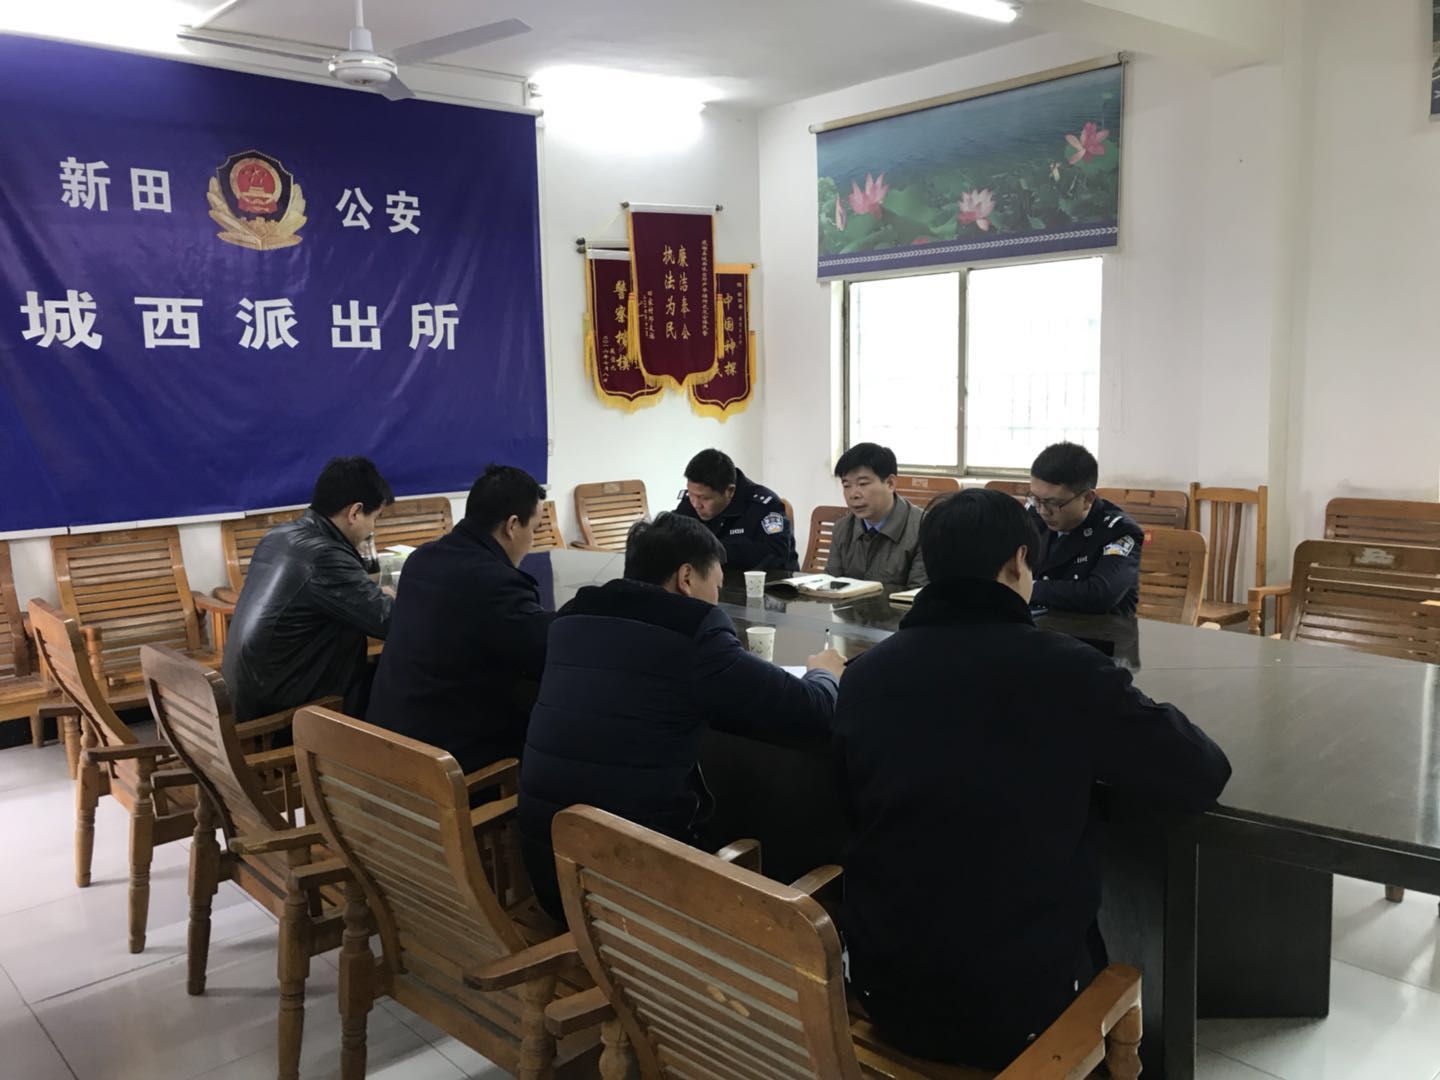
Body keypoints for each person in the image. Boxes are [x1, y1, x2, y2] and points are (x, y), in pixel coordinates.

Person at [834, 489, 1231, 1069]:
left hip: (886, 993)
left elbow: (849, 809)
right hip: (1020, 1011)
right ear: (1019, 561)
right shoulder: (1068, 671)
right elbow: (1201, 771)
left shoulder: (864, 675)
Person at [518, 511, 844, 919]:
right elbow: (812, 710)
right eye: (716, 586)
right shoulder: (693, 634)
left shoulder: (571, 619)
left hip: (551, 875)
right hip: (637, 900)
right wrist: (824, 673)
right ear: (686, 577)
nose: (717, 599)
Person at [366, 465, 553, 774]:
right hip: (439, 763)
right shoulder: (495, 582)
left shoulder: (421, 559)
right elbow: (544, 650)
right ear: (512, 526)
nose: (532, 540)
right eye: (534, 529)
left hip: (389, 740)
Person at [223, 456, 394, 722]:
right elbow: (389, 623)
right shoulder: (324, 556)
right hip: (281, 715)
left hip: (253, 695)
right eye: (375, 518)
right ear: (355, 512)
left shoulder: (278, 536)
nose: (373, 528)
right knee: (402, 682)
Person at [1027, 442, 1144, 615]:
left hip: (1097, 629)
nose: (1043, 511)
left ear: (1088, 498)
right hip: (1041, 623)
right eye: (1035, 498)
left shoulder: (1118, 531)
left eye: (1055, 503)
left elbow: (1100, 594)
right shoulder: (1034, 514)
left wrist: (1028, 588)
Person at [673, 448, 798, 571]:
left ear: (730, 491)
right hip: (713, 581)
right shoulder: (693, 501)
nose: (696, 504)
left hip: (765, 582)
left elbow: (776, 554)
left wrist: (713, 551)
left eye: (704, 498)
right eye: (691, 494)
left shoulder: (763, 506)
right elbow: (671, 535)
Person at [826, 442, 927, 588]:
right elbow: (830, 586)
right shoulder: (842, 528)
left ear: (890, 483)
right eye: (846, 485)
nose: (853, 494)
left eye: (863, 484)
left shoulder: (924, 528)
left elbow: (918, 594)